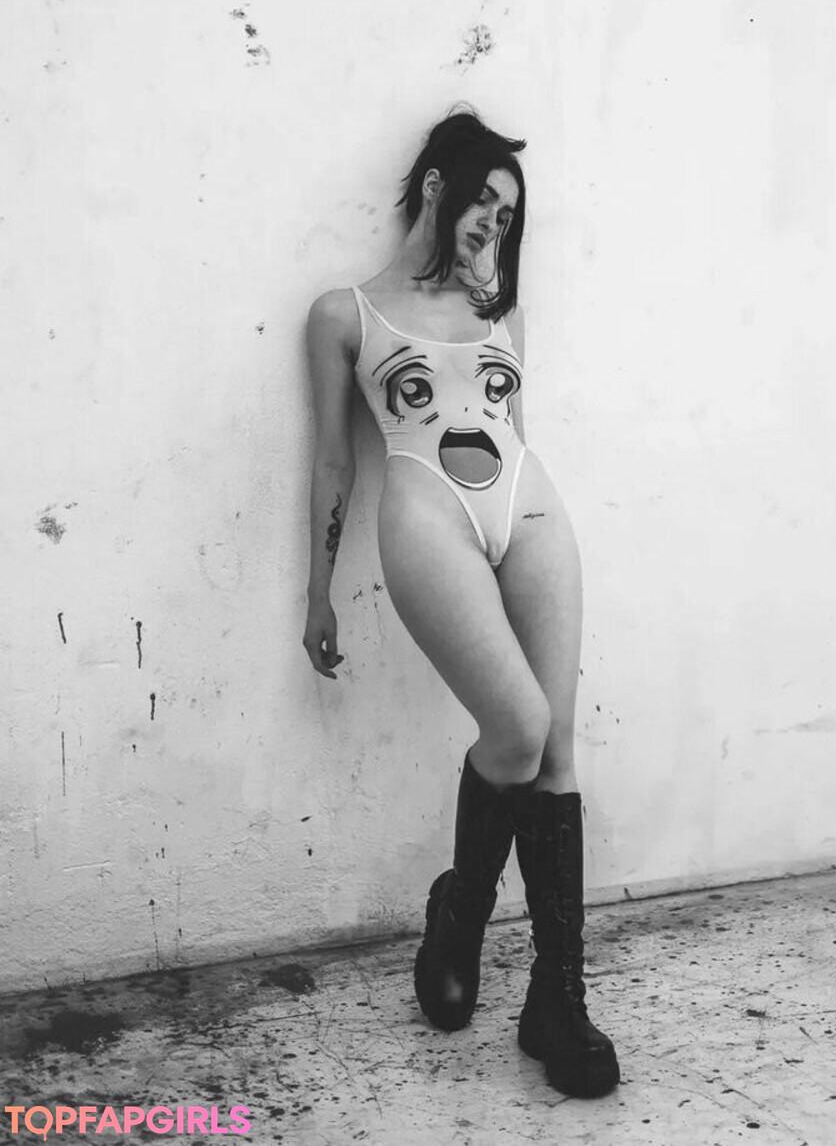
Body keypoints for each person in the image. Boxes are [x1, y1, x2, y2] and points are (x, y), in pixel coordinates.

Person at [303, 109, 620, 1099]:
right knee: (517, 729)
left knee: (556, 749)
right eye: (483, 198)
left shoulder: (501, 313)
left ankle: (556, 1001)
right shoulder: (346, 315)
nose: (493, 223)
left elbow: (515, 426)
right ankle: (462, 912)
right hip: (424, 512)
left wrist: (488, 291)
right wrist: (317, 590)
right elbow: (332, 460)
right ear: (436, 186)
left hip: (527, 507)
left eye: (508, 214)